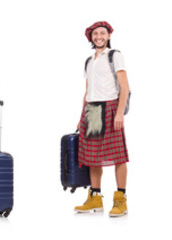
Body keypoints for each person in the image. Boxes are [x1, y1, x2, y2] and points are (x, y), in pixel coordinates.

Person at [73, 21, 129, 217]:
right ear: (91, 37)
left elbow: (125, 87)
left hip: (110, 106)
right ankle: (95, 198)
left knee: (118, 155)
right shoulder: (89, 60)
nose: (99, 36)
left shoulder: (115, 56)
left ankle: (121, 199)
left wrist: (119, 112)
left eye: (102, 33)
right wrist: (82, 115)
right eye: (96, 34)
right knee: (93, 156)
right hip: (93, 109)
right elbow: (87, 90)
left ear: (108, 35)